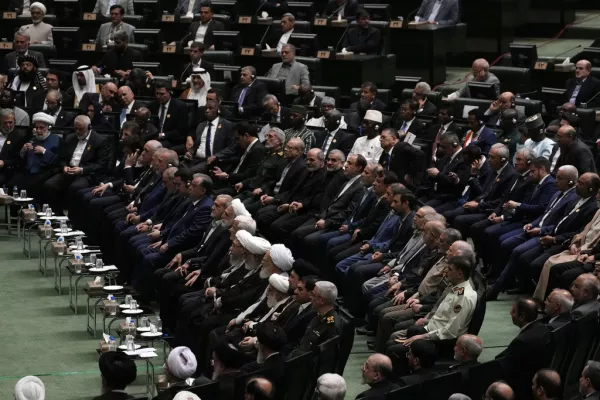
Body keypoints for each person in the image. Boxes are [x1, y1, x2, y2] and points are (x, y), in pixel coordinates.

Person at [385, 256, 478, 375]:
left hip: (440, 343)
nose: (446, 272)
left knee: (393, 349)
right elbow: (442, 318)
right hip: (431, 332)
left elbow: (451, 332)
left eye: (449, 269)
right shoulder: (457, 289)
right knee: (399, 338)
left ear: (459, 274)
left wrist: (423, 337)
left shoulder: (463, 297)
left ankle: (398, 384)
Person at [43, 115, 111, 213]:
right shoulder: (70, 138)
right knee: (49, 185)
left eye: (81, 129)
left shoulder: (99, 141)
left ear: (89, 127)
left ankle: (72, 219)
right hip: (69, 171)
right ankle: (57, 215)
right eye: (76, 129)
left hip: (86, 174)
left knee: (75, 188)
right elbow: (62, 158)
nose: (78, 132)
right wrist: (64, 166)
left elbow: (101, 164)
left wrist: (82, 170)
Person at [496, 298, 552, 398]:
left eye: (513, 311)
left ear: (522, 317)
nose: (510, 313)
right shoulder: (543, 328)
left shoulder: (521, 342)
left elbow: (507, 370)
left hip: (523, 388)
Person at [9, 112, 61, 200]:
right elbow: (19, 160)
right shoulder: (31, 139)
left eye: (42, 128)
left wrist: (44, 152)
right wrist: (23, 151)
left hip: (45, 172)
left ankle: (34, 210)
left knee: (33, 185)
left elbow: (59, 161)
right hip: (27, 171)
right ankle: (16, 211)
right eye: (36, 128)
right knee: (12, 183)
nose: (38, 130)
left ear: (49, 127)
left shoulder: (57, 140)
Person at [184, 99, 235, 173]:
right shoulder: (201, 126)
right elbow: (196, 146)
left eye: (210, 108)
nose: (207, 111)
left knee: (188, 172)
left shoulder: (227, 125)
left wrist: (216, 156)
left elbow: (231, 147)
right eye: (206, 108)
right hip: (195, 159)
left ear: (218, 110)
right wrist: (190, 152)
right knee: (178, 167)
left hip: (210, 161)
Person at [150, 82, 190, 147]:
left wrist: (162, 135)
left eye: (162, 94)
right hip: (154, 139)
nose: (158, 96)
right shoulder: (152, 105)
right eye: (157, 93)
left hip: (171, 140)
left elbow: (181, 130)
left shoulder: (180, 107)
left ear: (170, 93)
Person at [0, 109, 27, 186]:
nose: (8, 125)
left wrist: (4, 162)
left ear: (14, 121)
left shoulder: (19, 137)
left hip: (7, 170)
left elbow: (19, 159)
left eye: (10, 122)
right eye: (5, 123)